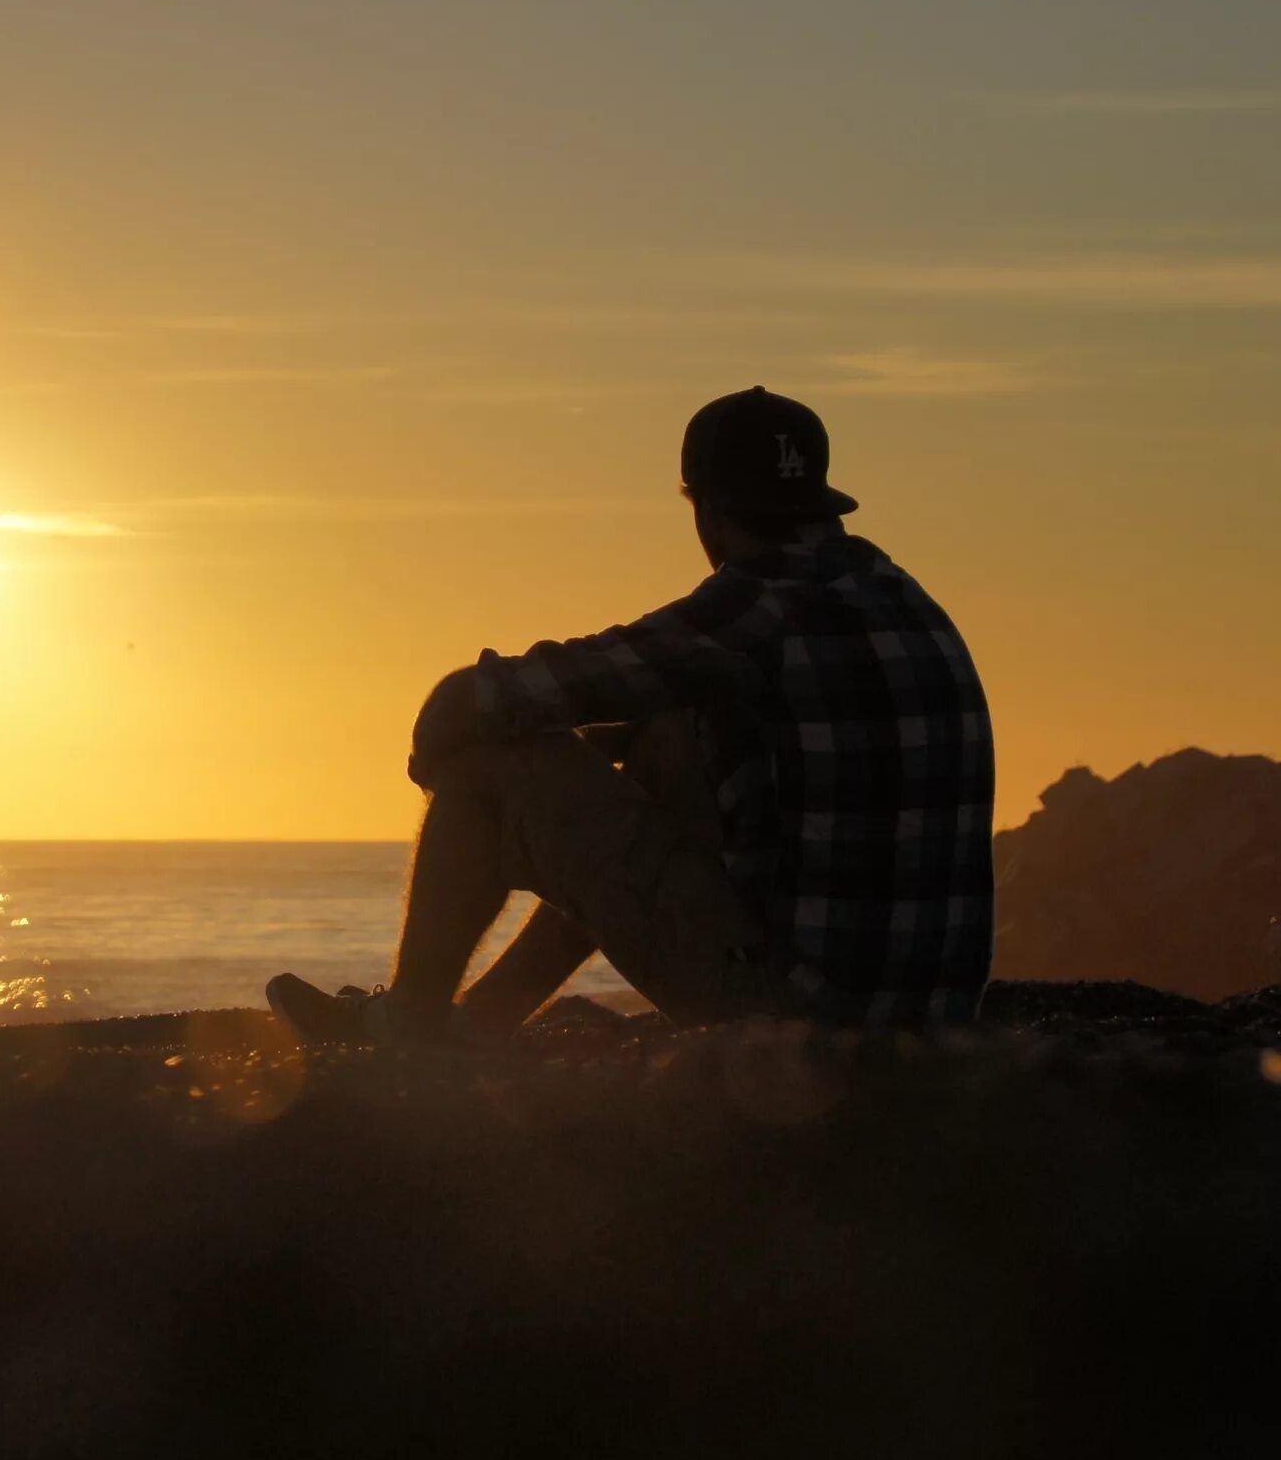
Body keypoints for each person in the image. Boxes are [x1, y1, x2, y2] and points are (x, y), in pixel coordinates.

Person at [269, 386, 993, 1041]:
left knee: (489, 768)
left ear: (703, 505)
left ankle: (410, 1028)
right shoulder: (900, 595)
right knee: (666, 735)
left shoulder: (755, 603)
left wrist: (446, 762)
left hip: (796, 1018)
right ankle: (484, 1022)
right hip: (929, 1017)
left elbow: (485, 699)